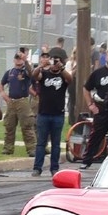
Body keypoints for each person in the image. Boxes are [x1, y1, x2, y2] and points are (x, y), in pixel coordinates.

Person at [79, 48, 108, 168]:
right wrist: (90, 105)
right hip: (101, 109)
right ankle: (86, 161)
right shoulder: (98, 73)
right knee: (95, 136)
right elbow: (86, 88)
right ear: (106, 57)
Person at [31, 47, 72, 176]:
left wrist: (61, 68)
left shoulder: (63, 75)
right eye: (53, 60)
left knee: (56, 143)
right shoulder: (45, 74)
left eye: (57, 61)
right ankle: (37, 168)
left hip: (58, 114)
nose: (54, 63)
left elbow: (70, 80)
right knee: (41, 143)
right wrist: (41, 66)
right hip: (43, 113)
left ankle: (54, 168)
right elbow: (34, 76)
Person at [0, 52, 35, 156]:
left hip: (23, 101)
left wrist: (26, 61)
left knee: (27, 126)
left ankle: (31, 149)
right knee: (9, 126)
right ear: (14, 60)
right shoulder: (9, 72)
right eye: (17, 58)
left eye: (20, 59)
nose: (18, 60)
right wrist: (3, 95)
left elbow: (31, 73)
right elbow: (1, 84)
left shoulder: (26, 72)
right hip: (11, 102)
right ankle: (8, 148)